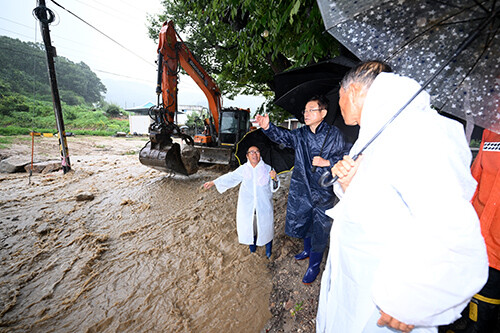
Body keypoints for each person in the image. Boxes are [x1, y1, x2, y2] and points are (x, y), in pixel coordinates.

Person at [316, 61, 488, 333]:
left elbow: (449, 223)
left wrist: (414, 298)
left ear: (354, 91)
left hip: (392, 293)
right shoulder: (376, 132)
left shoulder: (416, 132)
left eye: (339, 96)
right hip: (361, 277)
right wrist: (348, 184)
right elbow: (382, 202)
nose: (339, 105)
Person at [255, 95, 346, 284]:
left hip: (323, 188)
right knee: (303, 218)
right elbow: (284, 137)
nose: (306, 113)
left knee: (320, 226)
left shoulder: (334, 134)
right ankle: (306, 250)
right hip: (301, 186)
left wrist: (327, 162)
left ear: (323, 113)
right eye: (305, 110)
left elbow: (347, 156)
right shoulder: (301, 134)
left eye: (311, 109)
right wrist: (267, 127)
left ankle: (314, 265)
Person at [444, 128, 500, 332]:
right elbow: (474, 180)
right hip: (475, 238)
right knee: (458, 307)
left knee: (482, 322)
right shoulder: (492, 131)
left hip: (497, 250)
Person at [203, 146, 279, 258]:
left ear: (260, 154)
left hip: (263, 206)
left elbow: (274, 188)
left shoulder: (268, 169)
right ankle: (252, 251)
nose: (254, 154)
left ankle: (268, 251)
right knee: (250, 228)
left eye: (257, 151)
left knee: (266, 228)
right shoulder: (243, 169)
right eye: (251, 152)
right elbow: (231, 177)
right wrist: (214, 182)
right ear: (247, 156)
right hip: (248, 207)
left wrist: (275, 179)